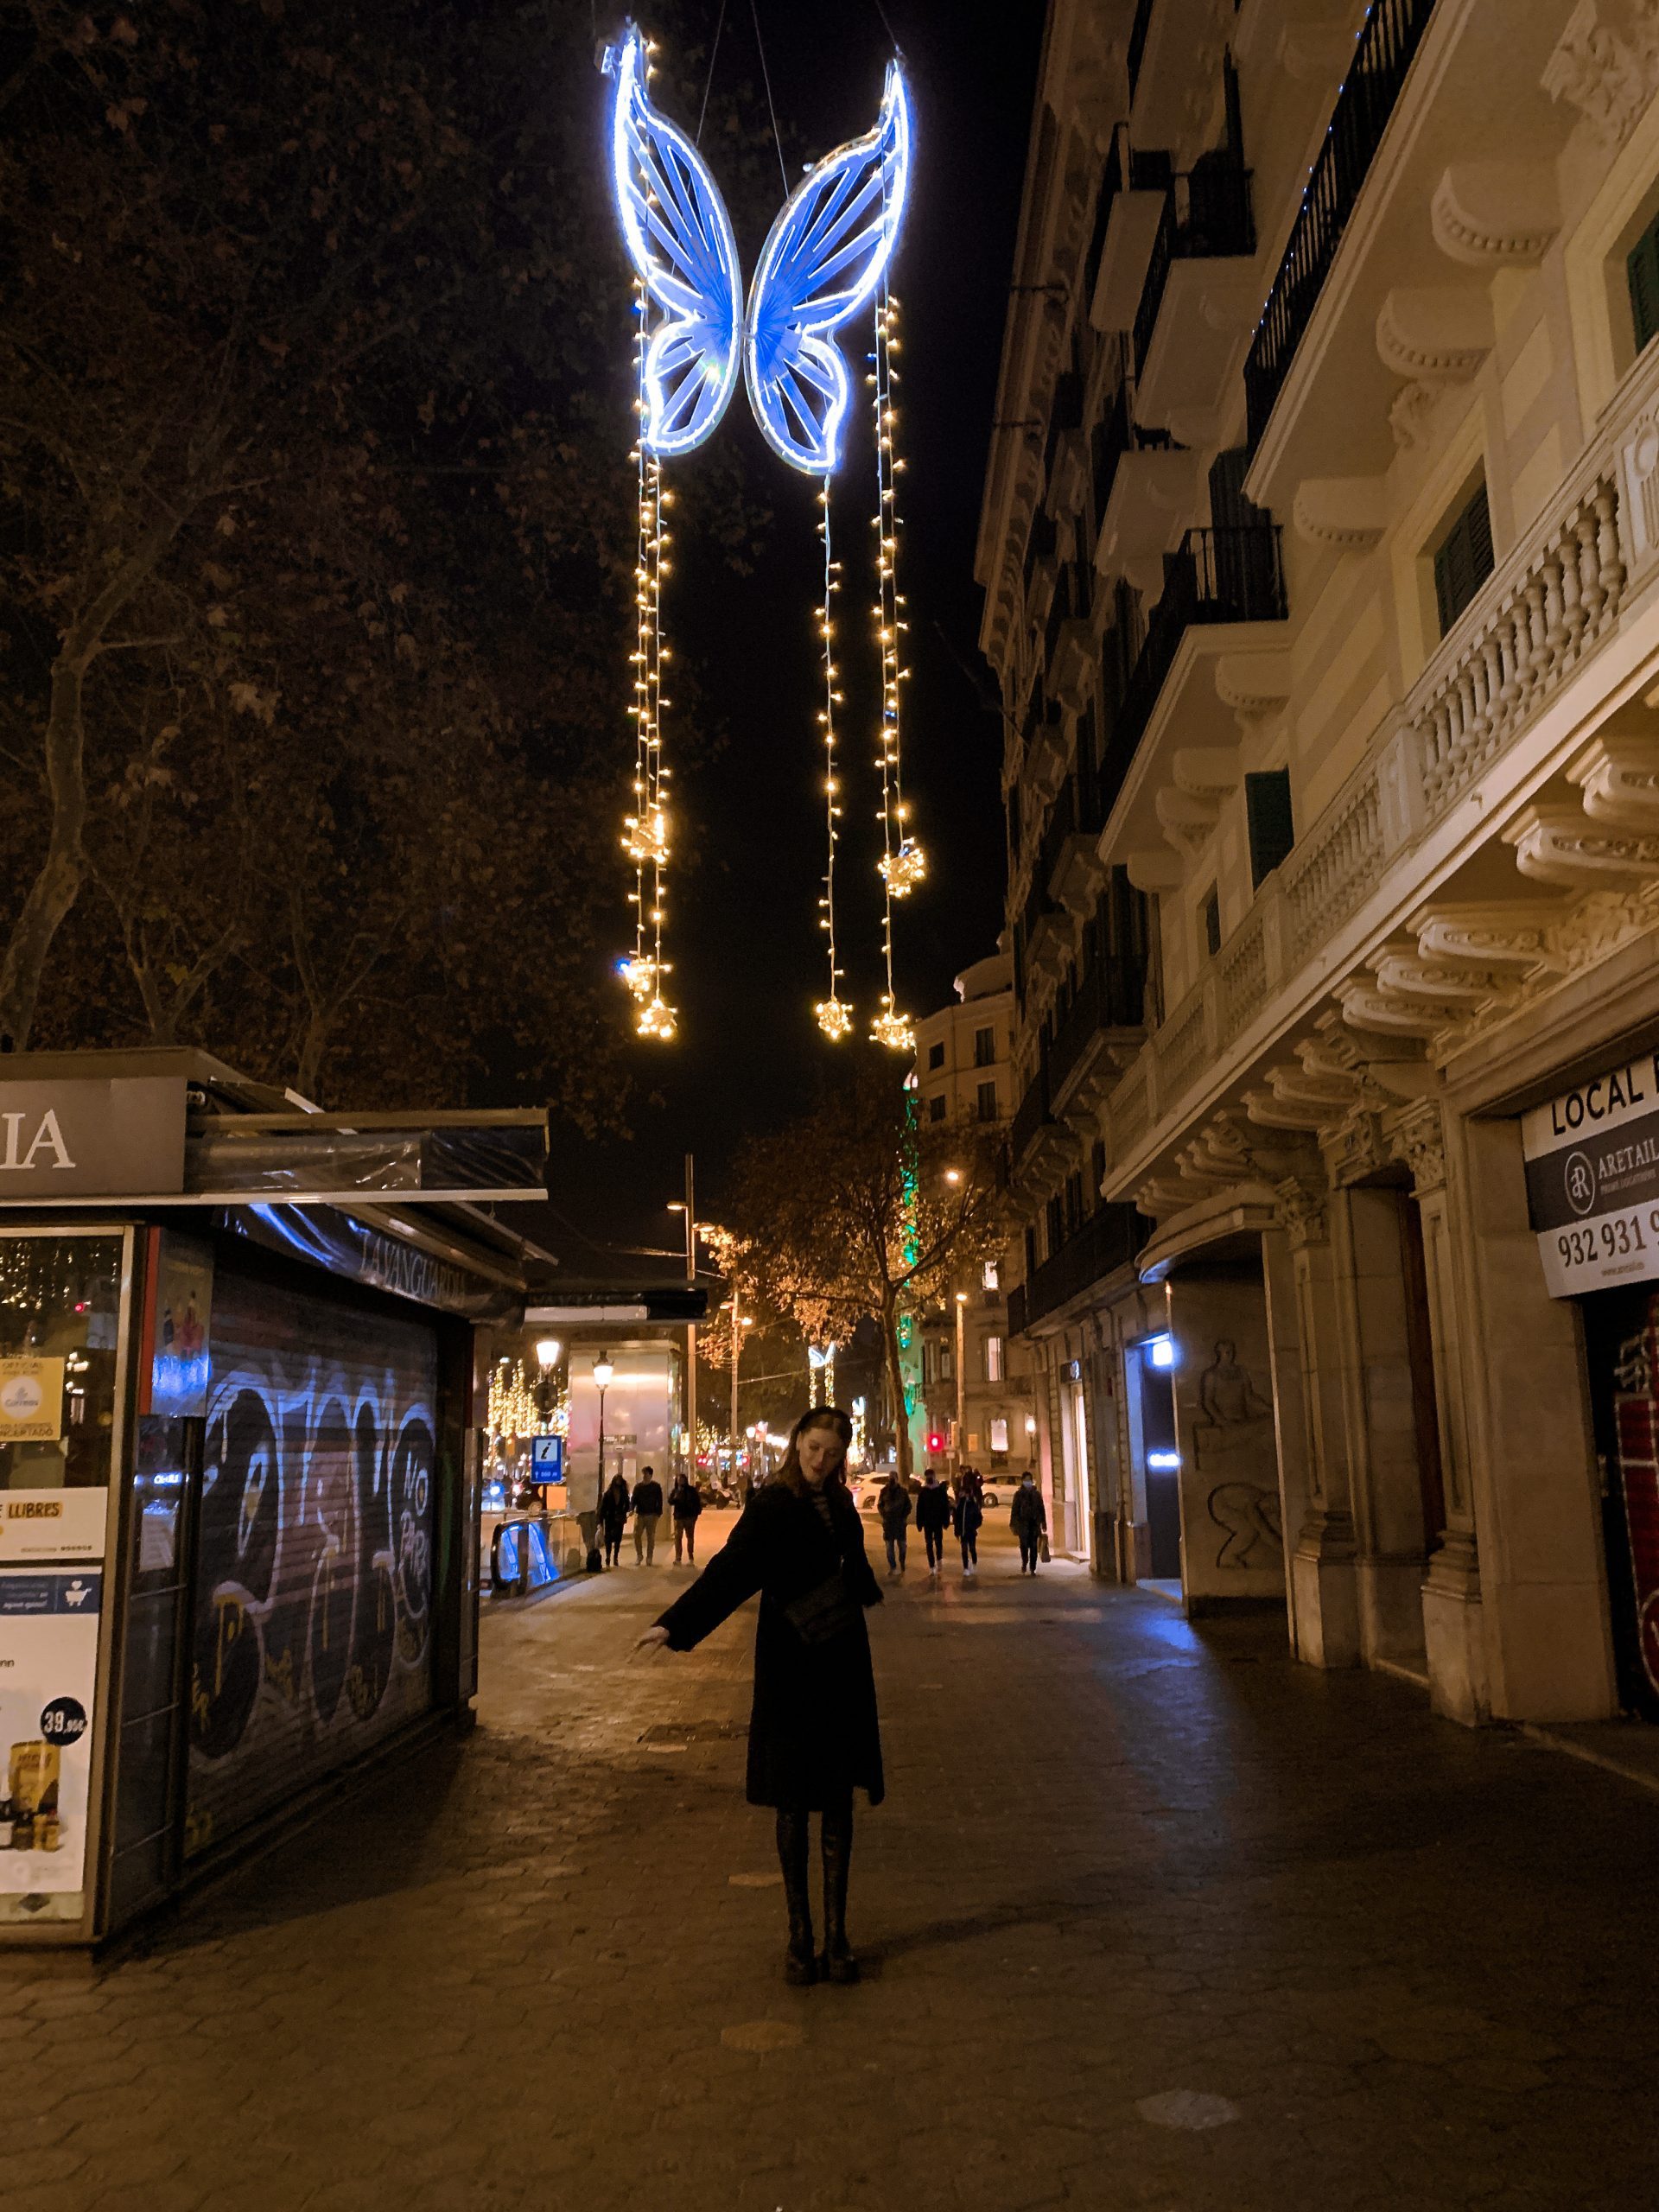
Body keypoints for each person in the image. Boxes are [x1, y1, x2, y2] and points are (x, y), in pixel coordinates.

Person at [636, 1406, 882, 1987]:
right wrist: (675, 1624)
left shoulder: (843, 1504)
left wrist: (860, 1584)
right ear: (797, 1443)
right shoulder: (772, 1504)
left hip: (842, 1660)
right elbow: (732, 1572)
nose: (820, 1460)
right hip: (793, 1665)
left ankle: (838, 1934)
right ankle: (801, 1938)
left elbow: (857, 1568)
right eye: (813, 1447)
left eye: (831, 1451)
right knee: (793, 1798)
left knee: (839, 1801)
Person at [915, 1467, 952, 1576]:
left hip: (938, 1521)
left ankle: (939, 1559)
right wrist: (919, 1523)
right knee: (929, 1544)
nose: (929, 1478)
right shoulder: (923, 1492)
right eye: (927, 1476)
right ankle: (931, 1565)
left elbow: (945, 1506)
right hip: (927, 1522)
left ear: (934, 1476)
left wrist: (946, 1521)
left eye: (931, 1476)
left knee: (938, 1542)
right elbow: (919, 1508)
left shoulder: (940, 1491)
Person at [1010, 1471, 1046, 1574]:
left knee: (1034, 1547)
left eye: (1029, 1480)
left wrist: (1043, 1522)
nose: (1028, 1482)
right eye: (1026, 1480)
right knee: (1024, 1546)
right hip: (1023, 1525)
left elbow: (1041, 1508)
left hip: (1034, 1524)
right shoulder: (1018, 1495)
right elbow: (1014, 1510)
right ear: (1022, 1481)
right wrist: (1013, 1524)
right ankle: (1024, 1562)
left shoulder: (1036, 1494)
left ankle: (1032, 1568)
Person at [876, 1471, 912, 1577]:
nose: (891, 1479)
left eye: (893, 1478)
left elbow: (908, 1506)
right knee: (889, 1547)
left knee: (902, 1547)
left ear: (897, 1479)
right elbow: (880, 1505)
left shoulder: (902, 1492)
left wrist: (903, 1517)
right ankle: (893, 1567)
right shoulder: (884, 1491)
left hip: (900, 1524)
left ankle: (902, 1562)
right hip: (888, 1524)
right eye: (890, 1477)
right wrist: (885, 1515)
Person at [632, 1464, 664, 1565]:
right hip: (640, 1514)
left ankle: (649, 1557)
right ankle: (639, 1555)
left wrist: (658, 1513)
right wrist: (632, 1509)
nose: (644, 1476)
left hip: (651, 1514)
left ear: (650, 1475)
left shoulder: (656, 1487)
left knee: (651, 1537)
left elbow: (659, 1500)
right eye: (644, 1474)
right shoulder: (638, 1487)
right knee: (637, 1535)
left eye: (646, 1474)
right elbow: (634, 1500)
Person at [670, 1470, 704, 1564]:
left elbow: (697, 1503)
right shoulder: (676, 1491)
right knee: (678, 1537)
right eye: (678, 1480)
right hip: (679, 1517)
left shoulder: (691, 1490)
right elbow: (670, 1501)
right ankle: (678, 1557)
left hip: (689, 1517)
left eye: (681, 1480)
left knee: (690, 1537)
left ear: (685, 1480)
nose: (680, 1482)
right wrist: (676, 1495)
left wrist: (696, 1515)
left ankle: (690, 1556)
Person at [953, 1472, 983, 1580]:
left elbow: (979, 1518)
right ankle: (965, 1567)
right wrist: (957, 1531)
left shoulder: (973, 1505)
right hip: (963, 1531)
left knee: (972, 1548)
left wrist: (974, 1526)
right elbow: (956, 1519)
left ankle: (974, 1561)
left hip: (971, 1531)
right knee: (964, 1549)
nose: (964, 1495)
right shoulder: (960, 1505)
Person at [599, 1471, 631, 1567]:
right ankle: (608, 1556)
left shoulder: (624, 1493)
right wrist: (601, 1520)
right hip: (610, 1518)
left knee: (618, 1539)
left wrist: (623, 1511)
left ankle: (615, 1557)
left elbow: (627, 1505)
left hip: (619, 1518)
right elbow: (603, 1507)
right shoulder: (608, 1494)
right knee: (608, 1539)